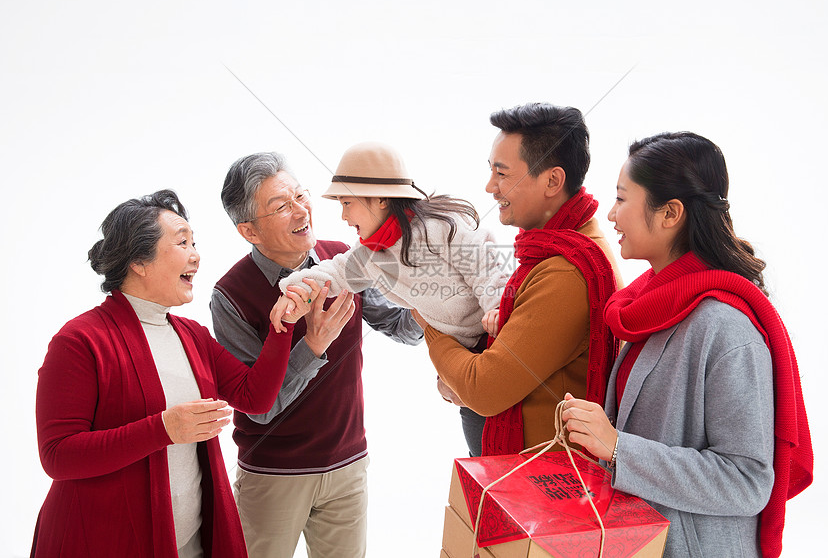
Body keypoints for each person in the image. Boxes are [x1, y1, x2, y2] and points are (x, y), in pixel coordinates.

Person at [561, 132, 813, 557]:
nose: (612, 214)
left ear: (670, 213)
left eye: (622, 199)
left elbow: (749, 481)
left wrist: (619, 447)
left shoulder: (726, 329)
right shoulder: (650, 307)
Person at [31, 190, 314, 558]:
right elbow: (57, 456)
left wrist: (282, 327)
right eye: (182, 242)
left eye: (195, 242)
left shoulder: (191, 334)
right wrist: (163, 429)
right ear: (139, 262)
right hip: (104, 541)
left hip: (188, 542)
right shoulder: (80, 341)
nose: (196, 255)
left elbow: (254, 397)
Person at [211, 152, 424, 558]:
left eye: (300, 196)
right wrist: (312, 347)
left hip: (348, 466)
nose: (301, 210)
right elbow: (260, 408)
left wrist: (431, 298)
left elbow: (400, 326)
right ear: (249, 231)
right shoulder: (230, 296)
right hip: (274, 476)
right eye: (281, 206)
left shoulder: (342, 258)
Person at [272, 142, 510, 457]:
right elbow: (336, 272)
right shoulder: (372, 254)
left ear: (381, 198)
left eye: (347, 203)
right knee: (483, 460)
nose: (343, 216)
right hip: (460, 357)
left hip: (495, 339)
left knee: (510, 447)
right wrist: (294, 290)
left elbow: (486, 264)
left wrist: (496, 307)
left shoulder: (439, 226)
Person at [412, 102, 623, 456]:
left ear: (552, 181)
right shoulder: (557, 249)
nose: (490, 187)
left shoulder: (565, 272)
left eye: (502, 173)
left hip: (538, 485)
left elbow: (485, 390)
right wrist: (456, 378)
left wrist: (429, 321)